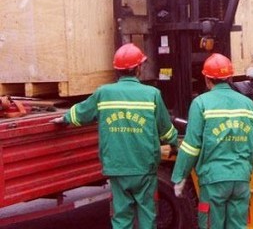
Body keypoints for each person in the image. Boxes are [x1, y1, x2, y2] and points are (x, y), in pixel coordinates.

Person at [50, 43, 178, 229]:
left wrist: (64, 118)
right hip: (144, 166)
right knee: (147, 213)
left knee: (121, 215)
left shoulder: (104, 93)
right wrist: (174, 144)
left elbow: (82, 112)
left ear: (117, 69)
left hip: (116, 167)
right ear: (139, 68)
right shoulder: (152, 95)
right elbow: (166, 129)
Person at [171, 53, 253, 229]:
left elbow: (191, 147)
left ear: (206, 79)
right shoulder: (246, 104)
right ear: (229, 77)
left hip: (214, 181)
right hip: (241, 179)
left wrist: (180, 176)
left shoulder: (200, 103)